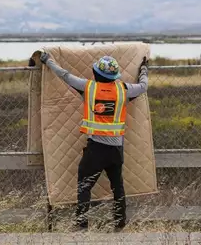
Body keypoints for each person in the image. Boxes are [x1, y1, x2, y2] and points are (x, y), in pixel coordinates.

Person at [37, 51, 149, 232]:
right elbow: (143, 86)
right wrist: (144, 69)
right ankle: (120, 225)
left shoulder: (88, 88)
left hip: (95, 149)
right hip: (116, 150)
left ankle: (82, 226)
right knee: (118, 187)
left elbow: (65, 75)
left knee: (84, 186)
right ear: (114, 76)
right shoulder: (124, 90)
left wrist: (48, 60)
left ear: (96, 73)